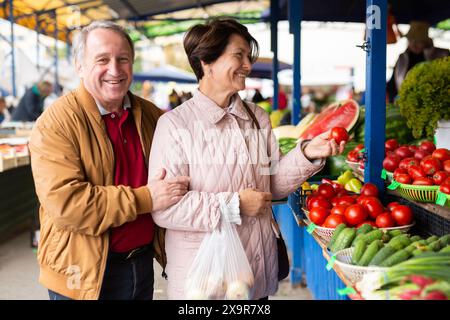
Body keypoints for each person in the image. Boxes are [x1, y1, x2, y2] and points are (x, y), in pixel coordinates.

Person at [148, 18, 346, 300]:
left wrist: (306, 154)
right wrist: (234, 205)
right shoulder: (176, 126)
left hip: (255, 271)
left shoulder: (256, 117)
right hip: (205, 281)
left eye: (248, 57)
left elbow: (272, 185)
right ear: (206, 62)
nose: (248, 66)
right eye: (238, 56)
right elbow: (166, 209)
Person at [28, 21, 190, 300]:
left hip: (140, 264)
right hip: (80, 273)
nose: (114, 70)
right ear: (80, 66)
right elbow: (67, 204)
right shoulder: (56, 123)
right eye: (102, 59)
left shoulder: (153, 116)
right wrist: (145, 198)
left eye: (123, 59)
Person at [387, 21, 449, 102]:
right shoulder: (402, 57)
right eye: (411, 40)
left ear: (426, 41)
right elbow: (392, 84)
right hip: (406, 102)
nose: (414, 44)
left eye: (418, 41)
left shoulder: (442, 54)